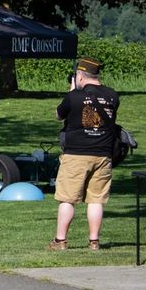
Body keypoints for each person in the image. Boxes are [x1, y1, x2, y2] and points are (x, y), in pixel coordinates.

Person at [49, 56, 119, 251]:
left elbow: (58, 114)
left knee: (67, 199)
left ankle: (60, 241)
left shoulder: (74, 96)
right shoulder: (113, 96)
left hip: (76, 154)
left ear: (80, 75)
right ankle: (94, 241)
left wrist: (72, 92)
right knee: (96, 200)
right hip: (103, 154)